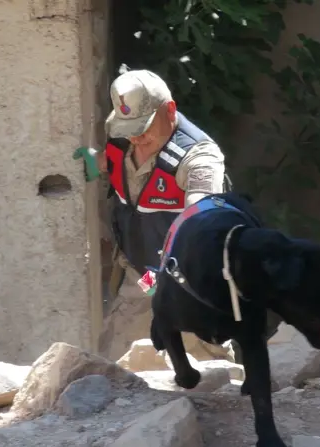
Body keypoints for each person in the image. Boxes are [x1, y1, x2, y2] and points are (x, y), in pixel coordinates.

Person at [95, 69, 237, 361]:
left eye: (143, 127)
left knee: (209, 381)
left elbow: (204, 218)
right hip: (143, 277)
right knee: (113, 368)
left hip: (188, 287)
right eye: (128, 128)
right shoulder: (126, 141)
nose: (136, 137)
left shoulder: (200, 158)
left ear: (169, 110)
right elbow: (106, 163)